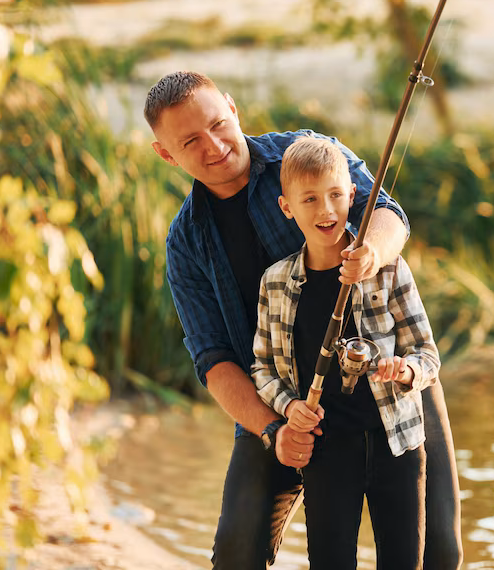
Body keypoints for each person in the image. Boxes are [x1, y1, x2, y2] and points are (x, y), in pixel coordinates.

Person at [145, 71, 462, 568]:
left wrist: (371, 253)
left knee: (438, 549)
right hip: (282, 403)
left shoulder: (304, 151)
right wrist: (275, 430)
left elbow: (387, 213)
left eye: (218, 124)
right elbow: (213, 359)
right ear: (166, 154)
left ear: (232, 107)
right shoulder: (185, 242)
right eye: (190, 141)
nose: (215, 146)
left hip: (390, 383)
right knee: (236, 553)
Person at [252, 136, 439, 569]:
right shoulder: (274, 282)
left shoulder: (389, 268)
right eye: (310, 199)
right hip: (327, 452)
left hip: (397, 445)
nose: (326, 210)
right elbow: (262, 368)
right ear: (286, 207)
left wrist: (406, 371)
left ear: (353, 195)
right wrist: (290, 406)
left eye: (336, 195)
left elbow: (427, 354)